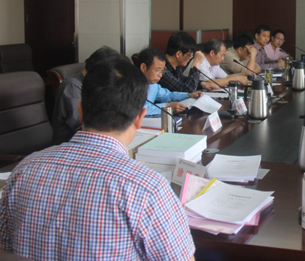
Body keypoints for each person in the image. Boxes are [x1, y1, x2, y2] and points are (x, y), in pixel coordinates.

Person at [0, 58, 196, 260]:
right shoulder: (147, 188)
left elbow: (4, 249)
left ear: (80, 111)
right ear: (140, 118)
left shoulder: (24, 170)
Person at [52, 45, 122, 144]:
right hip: (72, 144)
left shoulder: (94, 84)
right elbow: (81, 125)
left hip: (94, 139)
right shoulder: (72, 86)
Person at [139, 47, 203, 115]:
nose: (160, 75)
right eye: (157, 70)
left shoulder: (153, 85)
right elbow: (140, 110)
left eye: (162, 71)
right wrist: (167, 107)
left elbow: (168, 95)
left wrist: (188, 95)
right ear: (143, 67)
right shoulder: (132, 86)